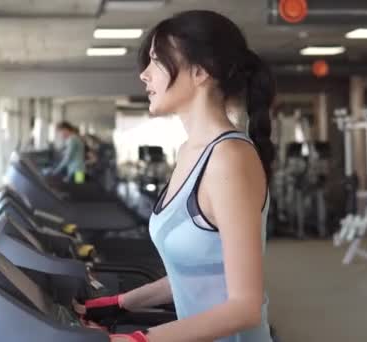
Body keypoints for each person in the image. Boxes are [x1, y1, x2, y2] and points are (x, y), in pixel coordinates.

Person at [76, 10, 276, 342]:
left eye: (156, 61)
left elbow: (245, 307)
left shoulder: (229, 158)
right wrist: (120, 303)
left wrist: (136, 340)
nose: (144, 74)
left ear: (200, 71)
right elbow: (196, 274)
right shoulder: (189, 152)